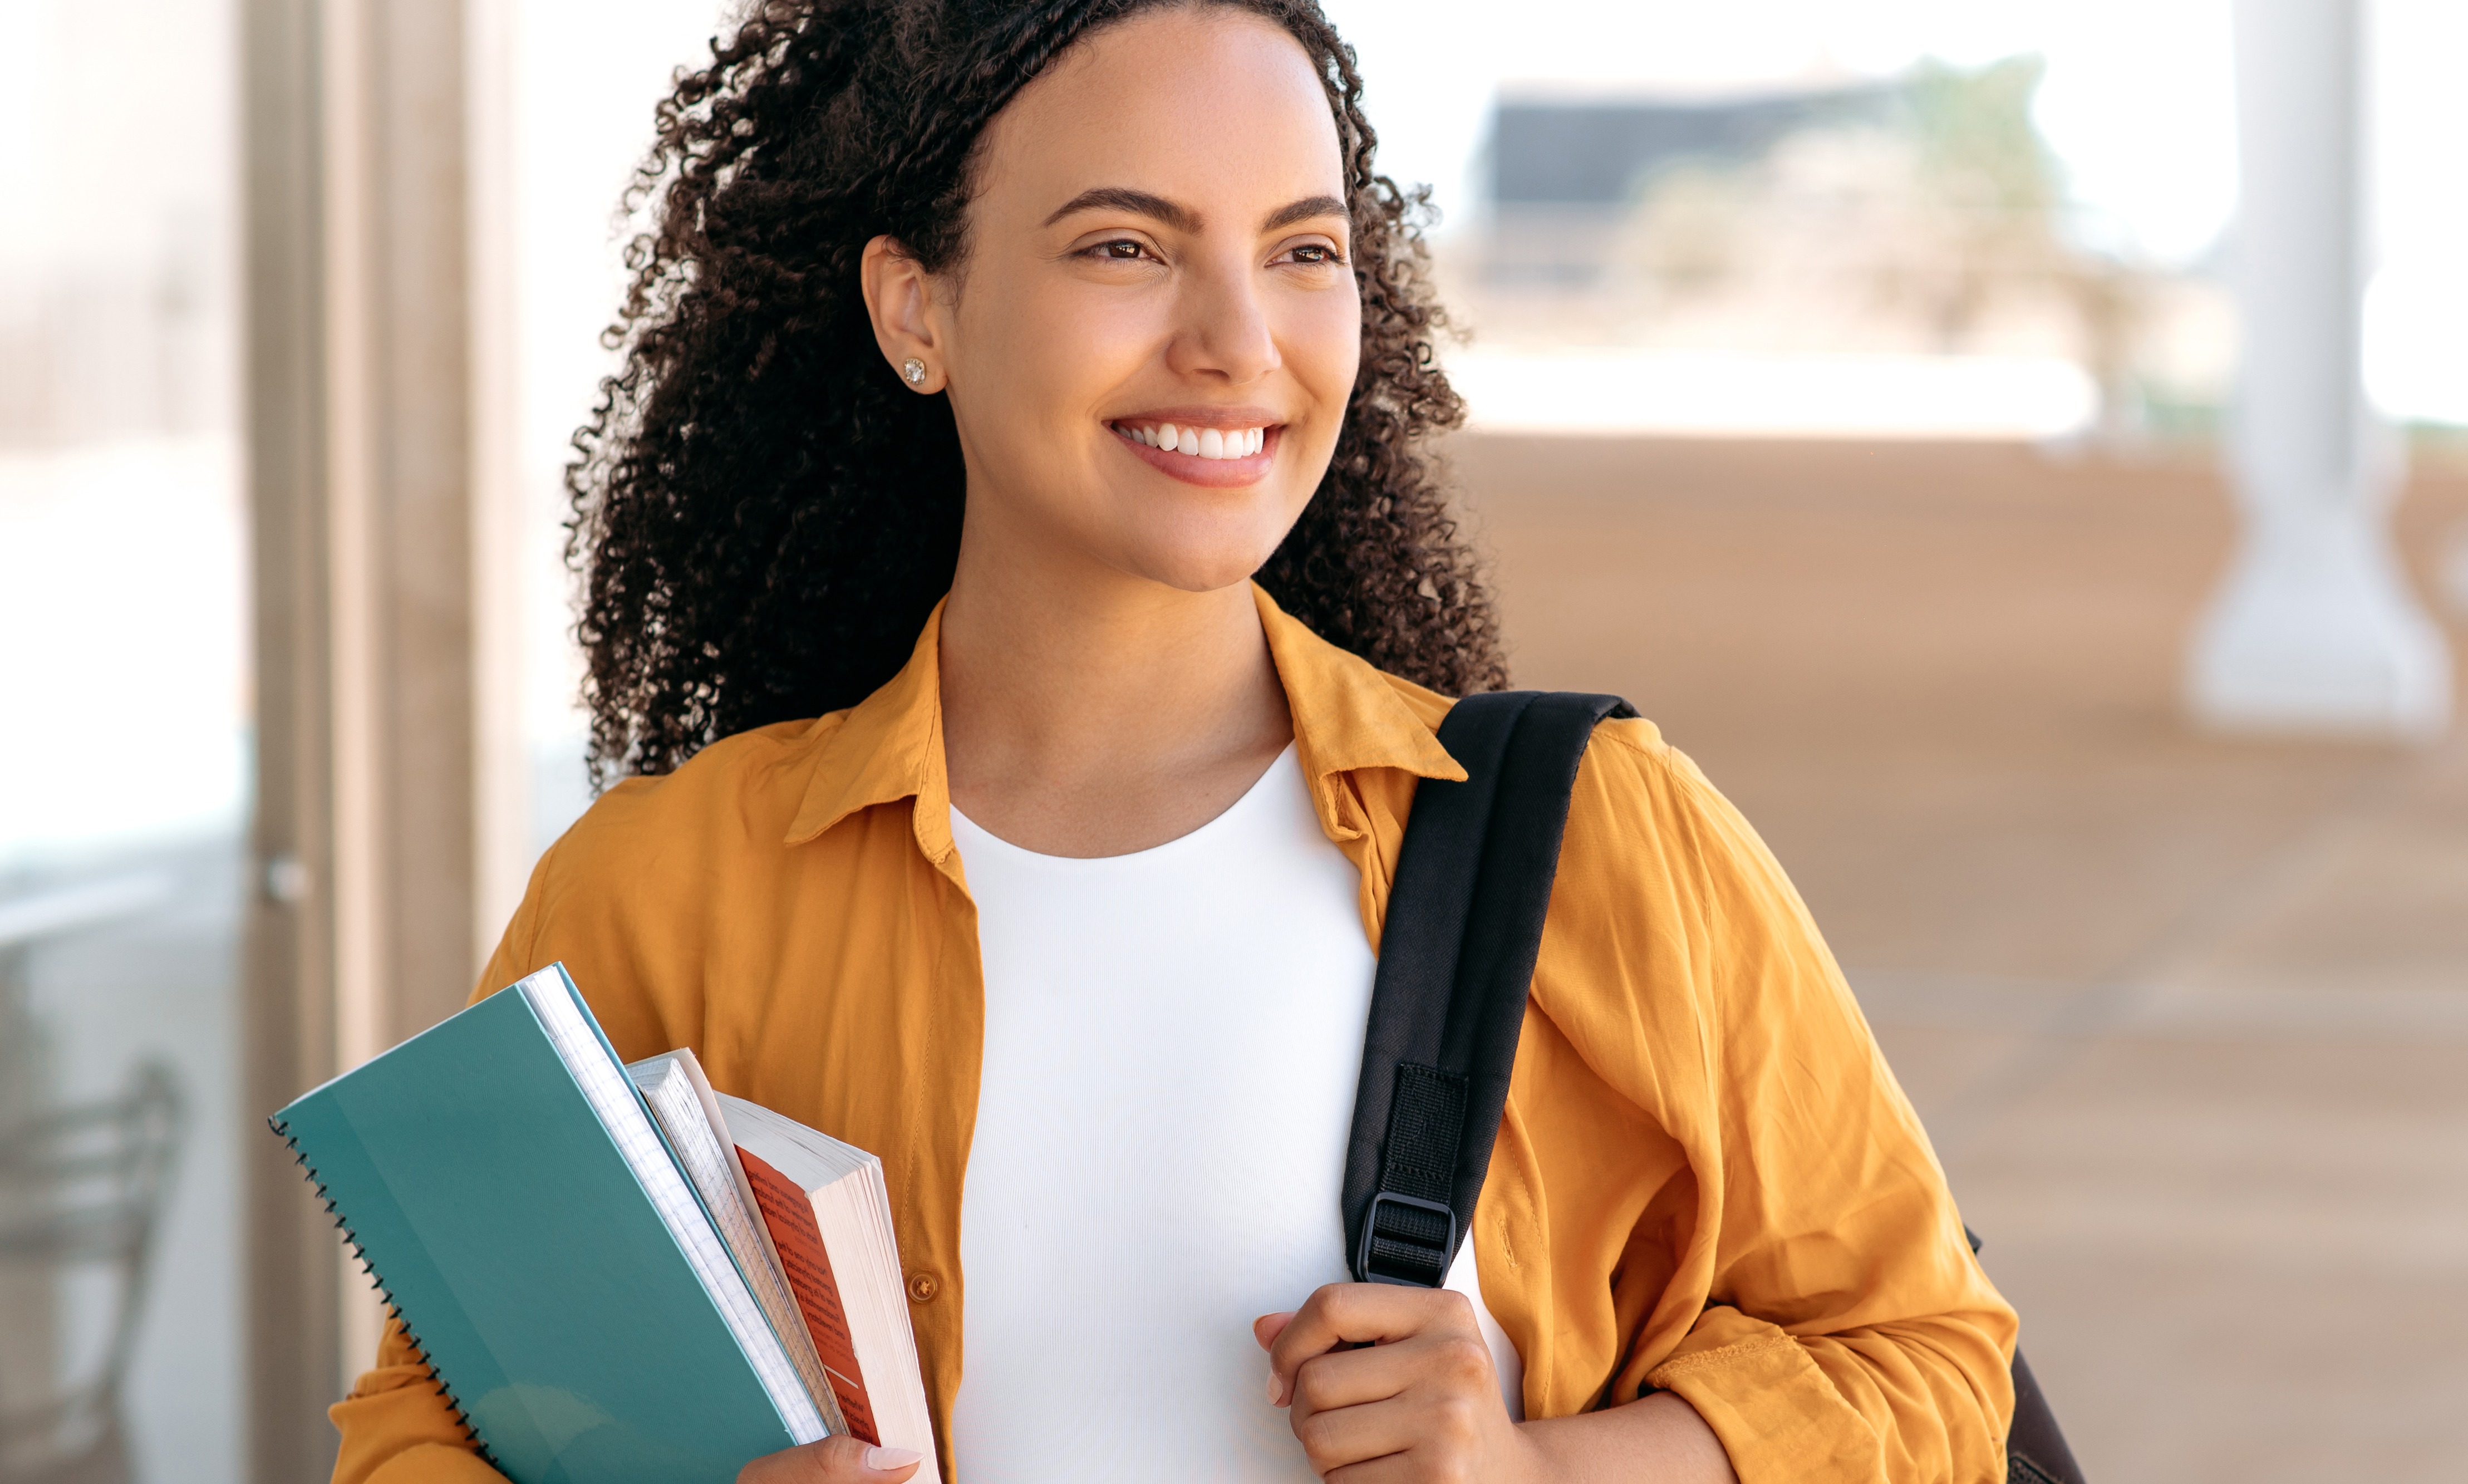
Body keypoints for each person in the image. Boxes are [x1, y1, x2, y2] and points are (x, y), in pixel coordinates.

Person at [322, 1, 2017, 1479]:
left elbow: (1930, 1366)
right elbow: (433, 1422)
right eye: (1125, 246)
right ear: (917, 310)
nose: (1238, 341)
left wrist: (1540, 1466)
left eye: (1302, 250)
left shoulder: (1593, 837)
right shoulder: (666, 889)